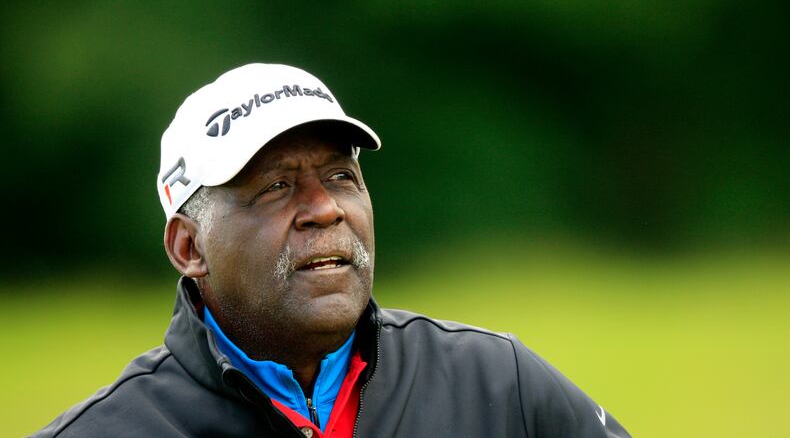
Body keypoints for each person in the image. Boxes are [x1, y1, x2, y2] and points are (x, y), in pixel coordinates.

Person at [34, 64, 631, 438]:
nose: (325, 208)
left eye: (341, 177)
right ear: (189, 246)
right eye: (275, 187)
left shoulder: (499, 387)